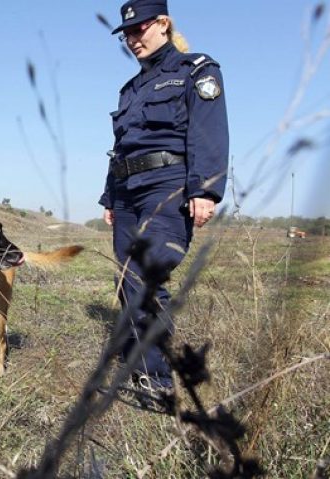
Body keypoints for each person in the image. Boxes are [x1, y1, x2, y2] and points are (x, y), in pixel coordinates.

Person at [100, 0, 229, 392]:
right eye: (126, 33)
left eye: (139, 29)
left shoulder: (196, 70)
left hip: (168, 185)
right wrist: (110, 197)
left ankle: (156, 381)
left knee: (146, 275)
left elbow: (208, 130)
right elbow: (122, 144)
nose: (132, 39)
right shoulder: (131, 89)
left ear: (163, 24)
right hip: (126, 193)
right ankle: (136, 367)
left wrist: (204, 190)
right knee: (127, 280)